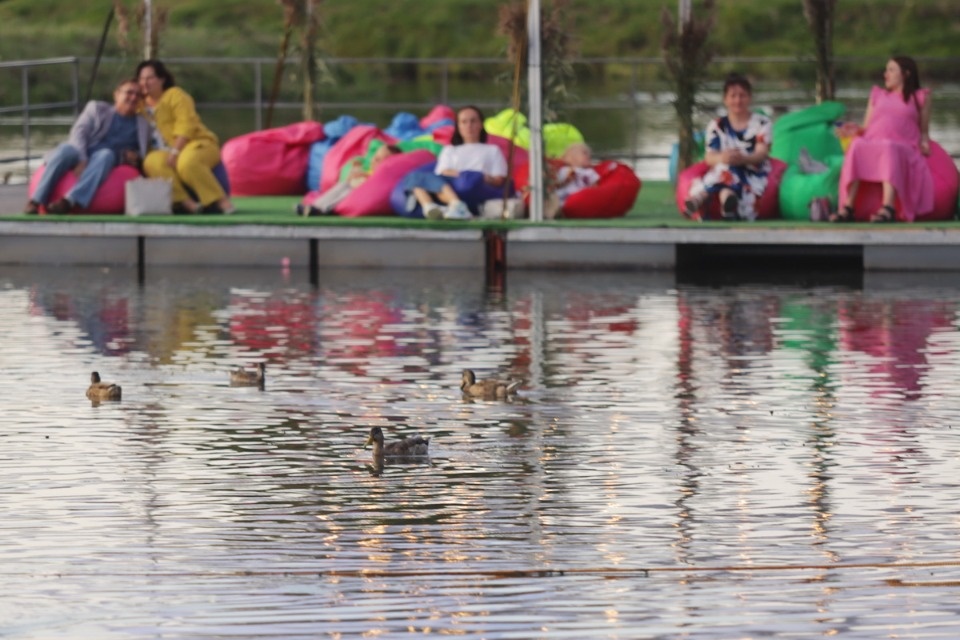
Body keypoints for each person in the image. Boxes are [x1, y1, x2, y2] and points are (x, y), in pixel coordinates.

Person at [830, 56, 932, 223]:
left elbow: (924, 131)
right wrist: (853, 129)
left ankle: (888, 208)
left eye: (891, 70)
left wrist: (925, 143)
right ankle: (848, 207)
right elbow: (866, 127)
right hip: (874, 141)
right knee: (856, 145)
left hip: (903, 145)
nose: (886, 74)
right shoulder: (877, 94)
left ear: (906, 74)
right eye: (886, 70)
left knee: (888, 146)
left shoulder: (919, 97)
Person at [24, 79, 150, 214]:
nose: (133, 97)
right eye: (129, 92)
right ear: (116, 95)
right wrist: (82, 159)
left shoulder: (142, 124)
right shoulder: (97, 109)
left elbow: (141, 153)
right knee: (65, 151)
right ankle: (36, 201)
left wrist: (133, 156)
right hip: (82, 150)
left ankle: (69, 201)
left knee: (106, 154)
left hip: (106, 159)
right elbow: (79, 132)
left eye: (138, 95)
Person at [136, 59, 234, 214]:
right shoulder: (139, 106)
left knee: (187, 162)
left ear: (162, 79)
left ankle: (220, 201)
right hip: (165, 151)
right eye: (141, 79)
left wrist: (175, 151)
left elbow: (186, 125)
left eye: (150, 78)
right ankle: (187, 203)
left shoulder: (175, 95)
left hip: (196, 144)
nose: (144, 82)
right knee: (151, 162)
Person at [683, 72, 772, 222]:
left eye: (742, 95)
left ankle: (699, 198)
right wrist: (723, 157)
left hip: (751, 171)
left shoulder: (762, 123)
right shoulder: (717, 125)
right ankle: (727, 205)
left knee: (728, 170)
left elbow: (761, 154)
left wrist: (743, 159)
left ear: (749, 98)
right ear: (725, 99)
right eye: (733, 96)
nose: (738, 100)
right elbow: (709, 157)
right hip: (722, 169)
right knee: (726, 169)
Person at [405, 105, 508, 220]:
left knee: (467, 180)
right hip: (451, 185)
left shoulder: (492, 150)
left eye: (473, 121)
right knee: (414, 177)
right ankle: (433, 206)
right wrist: (464, 174)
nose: (469, 126)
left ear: (480, 124)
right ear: (458, 126)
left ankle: (451, 205)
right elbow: (442, 173)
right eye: (464, 122)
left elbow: (498, 179)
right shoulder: (450, 150)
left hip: (475, 188)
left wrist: (474, 176)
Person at [299, 143, 402, 216]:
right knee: (342, 186)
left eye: (379, 160)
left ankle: (322, 209)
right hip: (353, 188)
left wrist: (363, 177)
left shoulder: (385, 176)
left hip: (358, 195)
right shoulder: (370, 171)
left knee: (347, 191)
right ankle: (314, 206)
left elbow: (374, 184)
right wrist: (354, 174)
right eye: (375, 157)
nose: (374, 161)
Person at [545, 142, 601, 219]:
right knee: (554, 198)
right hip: (564, 196)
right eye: (584, 153)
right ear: (573, 157)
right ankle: (553, 212)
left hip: (580, 196)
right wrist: (567, 180)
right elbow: (558, 185)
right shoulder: (564, 170)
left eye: (589, 154)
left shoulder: (590, 172)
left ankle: (561, 212)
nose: (589, 155)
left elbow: (595, 187)